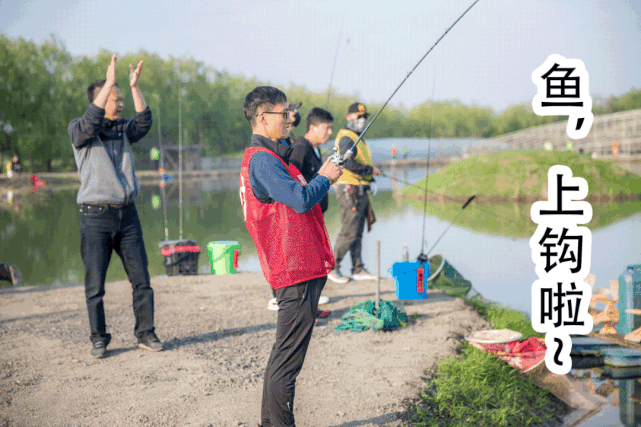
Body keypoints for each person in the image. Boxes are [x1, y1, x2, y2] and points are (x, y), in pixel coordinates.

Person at [239, 86, 342, 427]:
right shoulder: (262, 161)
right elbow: (300, 200)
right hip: (294, 271)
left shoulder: (271, 157)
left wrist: (321, 173)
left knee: (285, 357)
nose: (290, 120)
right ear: (263, 117)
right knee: (286, 361)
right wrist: (325, 178)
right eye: (284, 114)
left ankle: (272, 423)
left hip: (298, 268)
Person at [67, 54, 162, 359]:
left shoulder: (122, 129)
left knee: (142, 281)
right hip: (95, 217)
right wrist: (108, 82)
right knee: (95, 285)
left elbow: (144, 122)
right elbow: (90, 122)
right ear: (98, 100)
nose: (119, 104)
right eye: (113, 97)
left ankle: (146, 334)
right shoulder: (80, 130)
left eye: (121, 99)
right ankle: (99, 338)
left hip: (127, 215)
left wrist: (134, 88)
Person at [327, 102, 382, 284]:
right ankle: (332, 267)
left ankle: (357, 268)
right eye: (359, 117)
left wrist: (370, 177)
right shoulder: (346, 138)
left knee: (357, 230)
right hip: (348, 187)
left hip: (359, 187)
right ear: (349, 117)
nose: (362, 120)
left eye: (364, 117)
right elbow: (347, 163)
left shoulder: (358, 138)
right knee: (349, 229)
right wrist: (370, 170)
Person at [288, 107, 335, 314]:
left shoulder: (315, 148)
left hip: (316, 214)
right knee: (305, 264)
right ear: (313, 127)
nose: (330, 133)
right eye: (327, 128)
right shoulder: (301, 148)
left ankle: (311, 308)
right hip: (304, 215)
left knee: (314, 263)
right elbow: (293, 182)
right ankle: (305, 311)